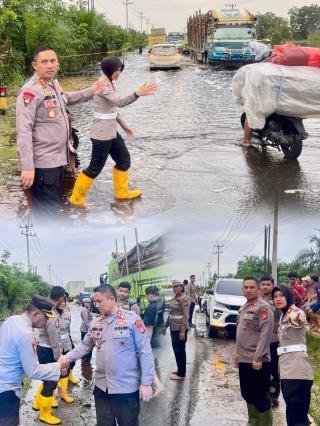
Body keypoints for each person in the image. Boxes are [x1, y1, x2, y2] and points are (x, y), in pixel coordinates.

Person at [16, 45, 110, 218]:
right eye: (44, 61)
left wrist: (91, 91)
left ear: (58, 63)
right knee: (48, 214)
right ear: (34, 65)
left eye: (53, 61)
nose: (50, 65)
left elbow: (67, 98)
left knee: (54, 210)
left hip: (59, 161)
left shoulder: (52, 84)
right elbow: (24, 131)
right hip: (43, 165)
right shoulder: (30, 92)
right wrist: (27, 167)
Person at [60, 284, 155, 426]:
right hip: (101, 387)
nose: (96, 305)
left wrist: (146, 383)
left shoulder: (132, 320)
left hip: (125, 389)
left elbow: (145, 352)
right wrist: (67, 357)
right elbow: (85, 345)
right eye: (94, 302)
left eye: (99, 301)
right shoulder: (96, 322)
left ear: (111, 299)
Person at [69, 56, 157, 207]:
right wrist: (137, 93)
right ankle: (76, 198)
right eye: (116, 71)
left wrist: (124, 126)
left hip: (111, 132)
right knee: (95, 167)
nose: (119, 73)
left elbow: (112, 110)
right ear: (109, 70)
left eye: (120, 70)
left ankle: (121, 192)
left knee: (124, 161)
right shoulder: (102, 84)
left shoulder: (108, 81)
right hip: (102, 134)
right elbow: (120, 102)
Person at [0, 295, 63, 426]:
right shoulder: (26, 334)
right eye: (45, 317)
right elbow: (33, 371)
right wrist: (58, 366)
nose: (46, 321)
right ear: (35, 313)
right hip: (7, 390)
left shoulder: (12, 320)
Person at [272, 284, 314, 426]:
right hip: (287, 371)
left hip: (298, 372)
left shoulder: (294, 313)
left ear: (288, 296)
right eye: (275, 296)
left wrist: (299, 316)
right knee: (294, 415)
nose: (278, 299)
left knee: (296, 418)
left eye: (281, 295)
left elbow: (299, 318)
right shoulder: (283, 316)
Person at [234, 276, 274, 425]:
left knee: (260, 397)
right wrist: (237, 353)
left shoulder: (263, 308)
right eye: (245, 287)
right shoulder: (245, 306)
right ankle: (253, 422)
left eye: (252, 287)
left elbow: (266, 334)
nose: (248, 290)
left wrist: (258, 357)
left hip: (257, 361)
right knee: (247, 394)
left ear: (258, 289)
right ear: (242, 289)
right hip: (244, 359)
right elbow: (242, 332)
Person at [32, 288, 73, 424]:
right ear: (61, 298)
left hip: (43, 349)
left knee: (46, 380)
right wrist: (59, 360)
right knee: (51, 383)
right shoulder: (51, 315)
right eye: (63, 298)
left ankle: (37, 404)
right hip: (49, 351)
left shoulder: (45, 311)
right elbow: (55, 342)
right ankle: (45, 414)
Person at [259, 274, 281, 408]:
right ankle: (262, 394)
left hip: (273, 340)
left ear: (272, 285)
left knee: (273, 370)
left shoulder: (277, 300)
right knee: (261, 369)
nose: (266, 286)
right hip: (259, 341)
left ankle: (273, 398)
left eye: (268, 284)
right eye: (263, 284)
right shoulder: (256, 300)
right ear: (260, 286)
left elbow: (281, 320)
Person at [163, 280, 190, 380]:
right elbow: (171, 314)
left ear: (181, 287)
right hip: (173, 328)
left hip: (180, 329)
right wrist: (165, 326)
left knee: (180, 351)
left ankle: (182, 374)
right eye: (173, 287)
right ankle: (179, 370)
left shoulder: (184, 298)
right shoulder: (174, 298)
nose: (175, 288)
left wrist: (182, 331)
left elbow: (186, 315)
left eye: (177, 286)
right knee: (176, 350)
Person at [143, 285, 165, 396]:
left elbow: (149, 328)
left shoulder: (151, 307)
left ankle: (158, 386)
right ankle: (157, 383)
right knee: (154, 362)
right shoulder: (161, 302)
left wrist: (146, 343)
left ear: (150, 295)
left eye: (147, 295)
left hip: (152, 339)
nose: (147, 298)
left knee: (148, 363)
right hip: (159, 338)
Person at [80, 298, 93, 363]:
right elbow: (86, 322)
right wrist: (92, 329)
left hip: (86, 329)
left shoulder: (87, 310)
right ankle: (85, 359)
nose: (89, 303)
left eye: (90, 302)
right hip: (86, 330)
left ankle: (85, 359)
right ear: (84, 303)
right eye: (87, 302)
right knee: (86, 344)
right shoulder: (85, 310)